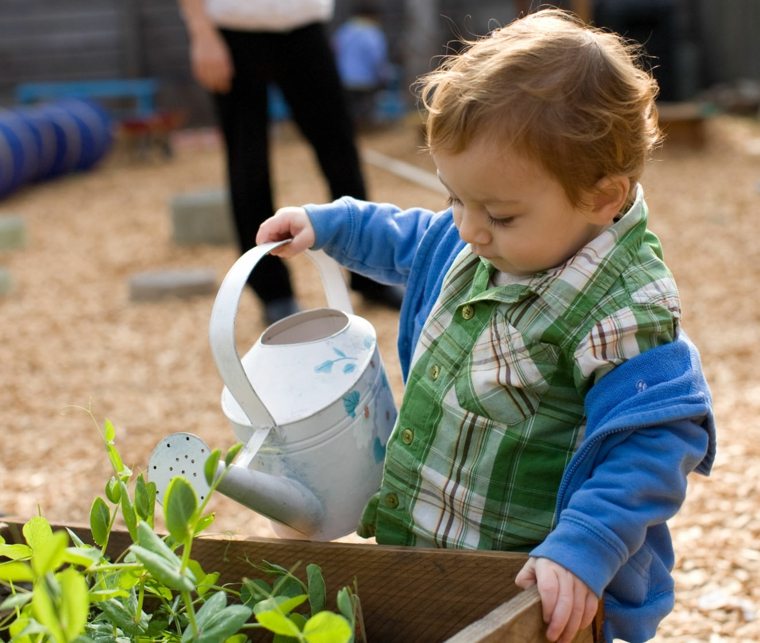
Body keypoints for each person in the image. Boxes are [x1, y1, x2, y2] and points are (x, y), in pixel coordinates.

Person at [256, 9, 715, 643]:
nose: (469, 229)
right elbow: (417, 238)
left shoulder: (622, 312)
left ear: (603, 198)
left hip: (530, 583)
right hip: (431, 545)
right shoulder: (485, 238)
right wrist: (329, 226)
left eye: (498, 213)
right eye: (454, 196)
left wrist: (582, 548)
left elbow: (653, 444)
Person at [177, 0, 402, 324]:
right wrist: (202, 34)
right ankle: (274, 293)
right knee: (248, 162)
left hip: (304, 24)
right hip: (234, 29)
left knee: (342, 153)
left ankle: (370, 276)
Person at [332, 2, 391, 130]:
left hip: (343, 79)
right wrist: (383, 76)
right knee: (365, 108)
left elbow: (334, 53)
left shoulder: (343, 31)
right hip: (365, 80)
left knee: (348, 110)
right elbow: (377, 58)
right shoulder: (373, 33)